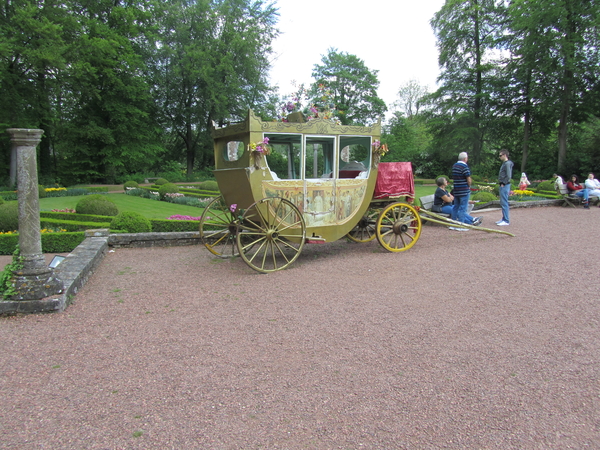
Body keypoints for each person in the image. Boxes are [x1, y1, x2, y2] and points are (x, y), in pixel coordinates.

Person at [450, 152, 473, 231]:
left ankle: (452, 224)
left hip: (456, 190)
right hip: (464, 190)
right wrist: (469, 185)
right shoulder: (464, 166)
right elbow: (468, 179)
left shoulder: (454, 166)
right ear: (465, 158)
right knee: (463, 208)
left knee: (455, 207)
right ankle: (461, 225)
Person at [496, 149, 514, 226]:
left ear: (504, 155)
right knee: (503, 202)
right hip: (503, 185)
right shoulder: (505, 163)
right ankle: (504, 218)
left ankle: (506, 220)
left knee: (504, 202)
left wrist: (504, 183)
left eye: (500, 155)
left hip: (505, 185)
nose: (499, 157)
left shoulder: (507, 164)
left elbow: (509, 176)